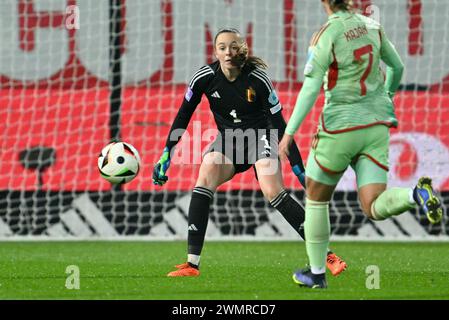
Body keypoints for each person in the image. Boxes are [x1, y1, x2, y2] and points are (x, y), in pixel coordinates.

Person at [152, 28, 347, 277]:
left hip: (262, 137)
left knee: (272, 191)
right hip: (229, 141)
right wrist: (167, 153)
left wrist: (299, 169)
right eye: (221, 47)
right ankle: (192, 265)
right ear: (215, 51)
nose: (227, 52)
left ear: (241, 49)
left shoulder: (258, 79)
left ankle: (328, 256)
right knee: (205, 175)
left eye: (233, 46)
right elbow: (183, 115)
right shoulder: (204, 77)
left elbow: (281, 126)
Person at [279, 0, 443, 289]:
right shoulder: (373, 26)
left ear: (325, 2)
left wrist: (289, 133)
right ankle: (415, 193)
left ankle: (317, 273)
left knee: (317, 198)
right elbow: (397, 66)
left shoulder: (326, 34)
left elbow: (311, 87)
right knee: (373, 205)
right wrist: (387, 97)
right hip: (377, 125)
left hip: (341, 125)